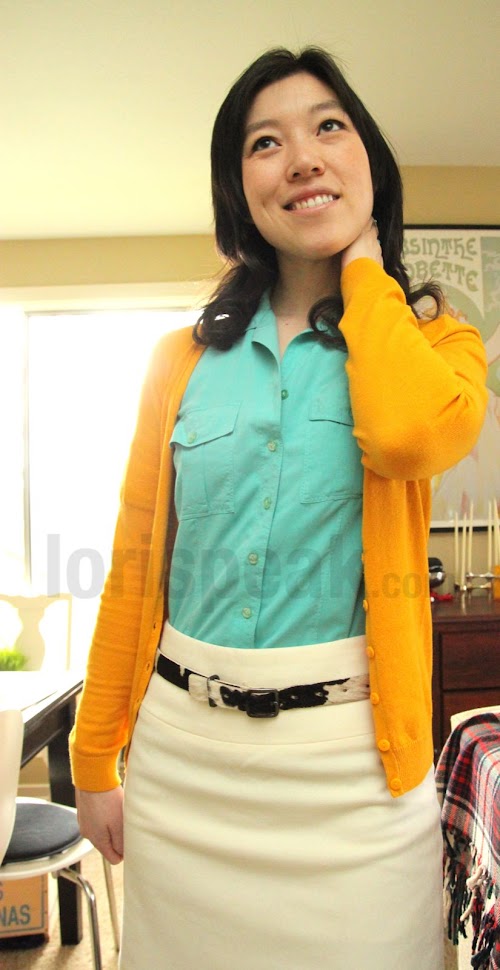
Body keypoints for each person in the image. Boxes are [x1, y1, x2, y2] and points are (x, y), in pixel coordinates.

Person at [70, 47, 487, 970]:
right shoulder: (178, 360)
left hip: (356, 771)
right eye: (266, 142)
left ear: (369, 161)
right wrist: (94, 756)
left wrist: (366, 272)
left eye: (328, 127)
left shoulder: (440, 345)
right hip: (185, 762)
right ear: (239, 189)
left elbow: (407, 437)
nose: (301, 157)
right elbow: (135, 564)